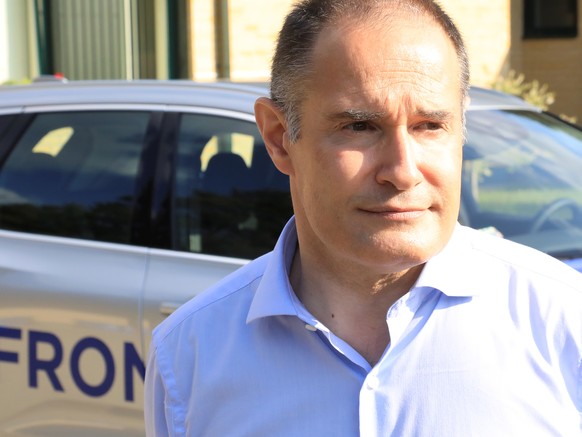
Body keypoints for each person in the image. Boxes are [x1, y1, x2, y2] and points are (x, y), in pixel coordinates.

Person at [145, 0, 582, 435]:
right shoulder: (188, 357)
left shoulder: (566, 322)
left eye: (429, 125)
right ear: (279, 139)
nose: (403, 171)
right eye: (360, 127)